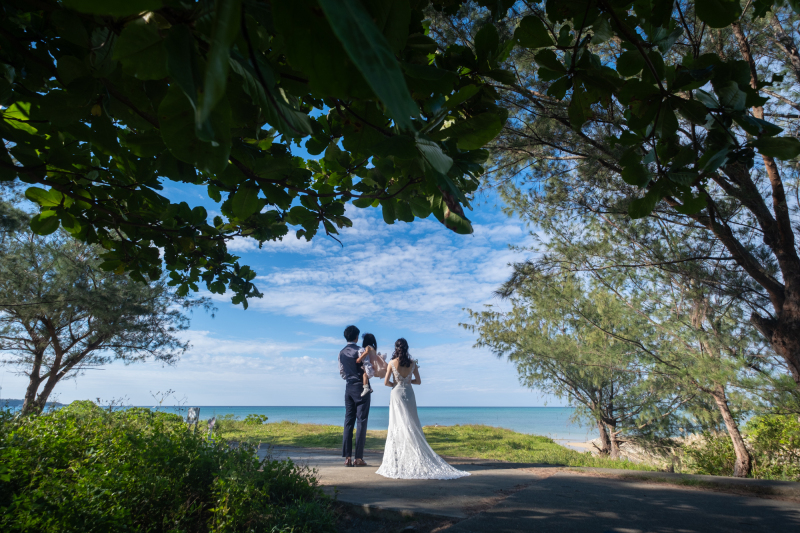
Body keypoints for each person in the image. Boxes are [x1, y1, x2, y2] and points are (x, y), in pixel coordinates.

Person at [376, 338, 470, 479]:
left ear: (396, 348)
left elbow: (386, 383)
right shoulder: (413, 363)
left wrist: (396, 384)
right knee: (412, 424)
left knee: (397, 425)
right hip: (409, 393)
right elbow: (418, 381)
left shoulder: (391, 363)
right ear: (407, 348)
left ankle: (399, 460)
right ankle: (414, 455)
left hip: (396, 394)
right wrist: (407, 381)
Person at [338, 324, 370, 467]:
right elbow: (368, 371)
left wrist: (350, 378)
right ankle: (359, 458)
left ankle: (347, 458)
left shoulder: (341, 353)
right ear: (357, 337)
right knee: (361, 421)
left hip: (348, 388)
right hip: (361, 388)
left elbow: (342, 373)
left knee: (348, 421)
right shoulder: (361, 350)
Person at [356, 333, 388, 397]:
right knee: (366, 376)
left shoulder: (368, 347)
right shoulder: (373, 348)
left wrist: (360, 358)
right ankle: (369, 388)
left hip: (369, 365)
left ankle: (366, 388)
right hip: (373, 366)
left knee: (365, 375)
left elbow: (366, 353)